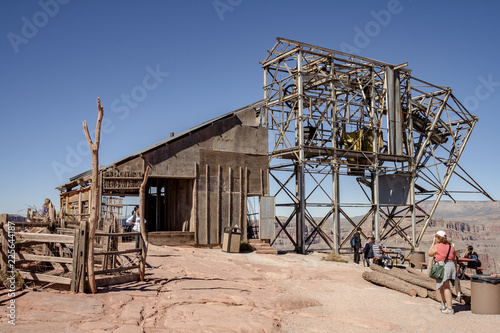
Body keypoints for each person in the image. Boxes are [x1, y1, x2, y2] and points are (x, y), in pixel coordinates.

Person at [428, 230, 457, 315]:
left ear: (438, 237)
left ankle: (450, 308)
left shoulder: (437, 246)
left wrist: (433, 243)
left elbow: (430, 253)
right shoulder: (451, 246)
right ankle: (443, 304)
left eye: (436, 237)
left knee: (446, 287)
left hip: (442, 267)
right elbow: (454, 257)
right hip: (451, 266)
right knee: (441, 286)